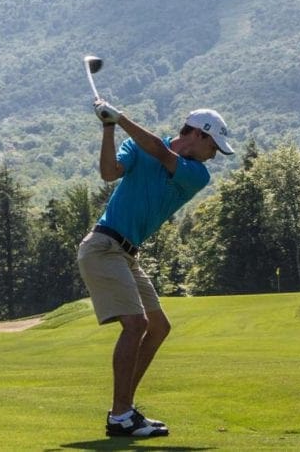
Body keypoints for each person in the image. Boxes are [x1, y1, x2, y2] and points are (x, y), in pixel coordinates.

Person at [77, 100, 234, 438]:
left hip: (126, 254)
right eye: (214, 147)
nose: (215, 155)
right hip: (103, 247)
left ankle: (124, 410)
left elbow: (161, 154)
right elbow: (108, 173)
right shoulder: (136, 145)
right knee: (136, 325)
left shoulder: (196, 174)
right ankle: (121, 416)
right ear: (198, 134)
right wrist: (108, 128)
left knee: (158, 327)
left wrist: (120, 118)